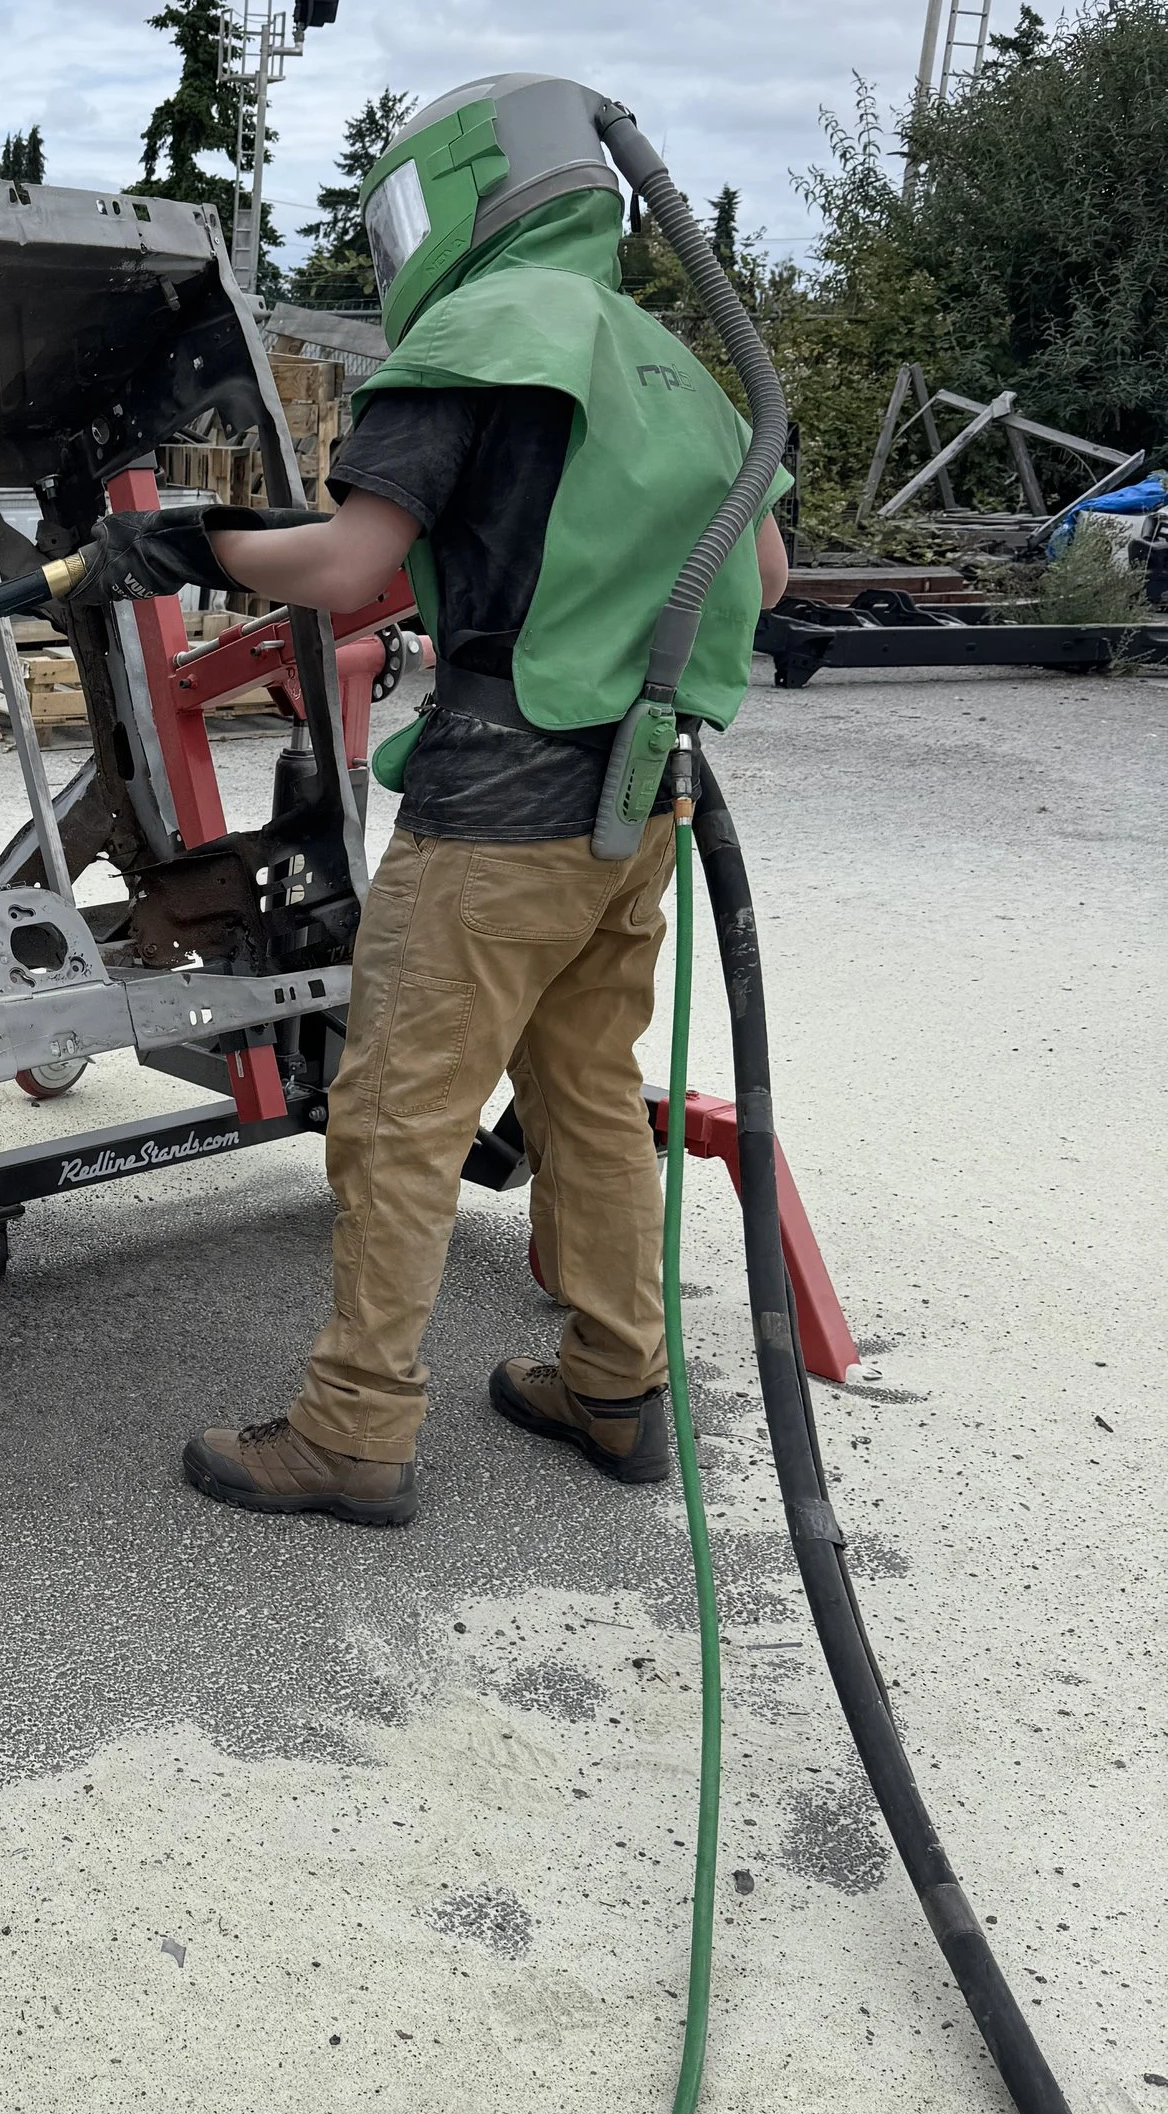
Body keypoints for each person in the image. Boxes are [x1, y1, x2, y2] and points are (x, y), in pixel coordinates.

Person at [81, 74, 791, 1527]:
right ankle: (613, 1381)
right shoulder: (673, 364)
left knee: (398, 1110)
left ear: (463, 194)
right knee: (588, 1091)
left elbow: (349, 570)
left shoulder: (479, 334)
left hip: (504, 803)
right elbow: (763, 581)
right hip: (639, 798)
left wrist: (191, 544)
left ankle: (351, 1433)